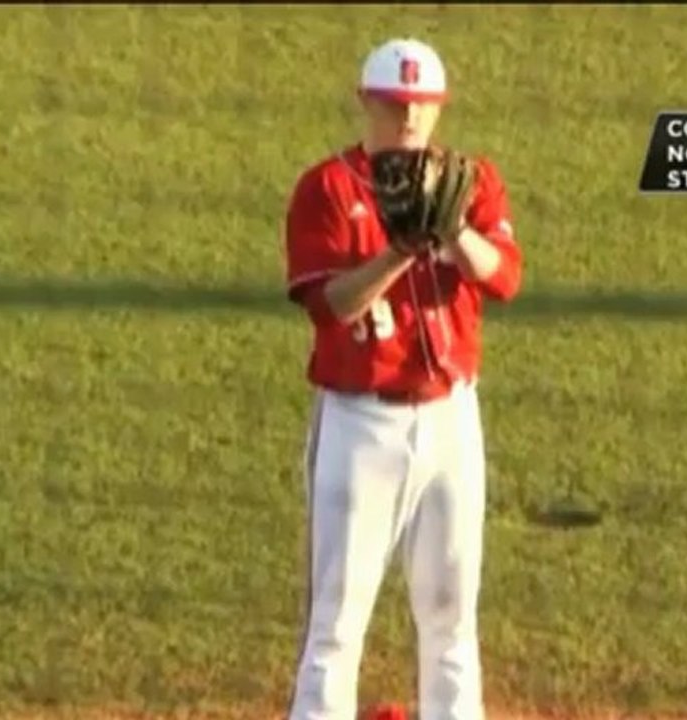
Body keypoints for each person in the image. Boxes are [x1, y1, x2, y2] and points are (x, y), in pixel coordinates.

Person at [281, 37, 523, 720]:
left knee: (451, 614)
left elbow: (504, 276)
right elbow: (331, 306)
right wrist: (400, 250)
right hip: (361, 425)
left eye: (421, 103)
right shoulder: (326, 189)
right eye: (394, 103)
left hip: (451, 418)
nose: (409, 117)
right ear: (367, 103)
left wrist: (453, 236)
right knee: (336, 619)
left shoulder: (469, 181)